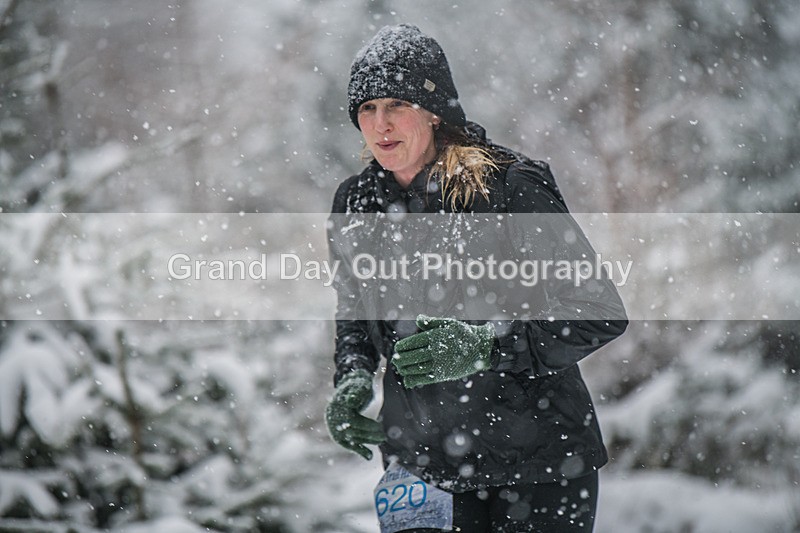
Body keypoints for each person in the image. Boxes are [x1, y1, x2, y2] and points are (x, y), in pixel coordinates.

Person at [325, 24, 628, 532]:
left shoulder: (509, 187)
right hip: (419, 468)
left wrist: (487, 345)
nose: (381, 125)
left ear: (433, 110)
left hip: (538, 463)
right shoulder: (356, 204)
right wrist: (353, 374)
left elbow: (598, 310)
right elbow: (356, 311)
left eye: (396, 104)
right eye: (367, 109)